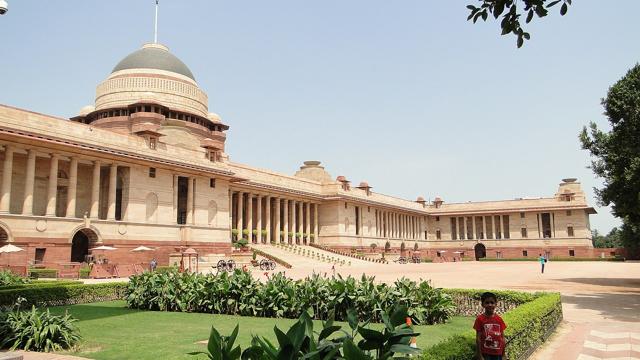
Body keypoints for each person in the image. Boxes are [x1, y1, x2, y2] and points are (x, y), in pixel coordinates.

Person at [474, 292, 507, 360]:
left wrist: (503, 354)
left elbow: (502, 338)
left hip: (498, 353)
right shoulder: (480, 319)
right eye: (487, 302)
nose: (490, 305)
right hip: (485, 354)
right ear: (482, 304)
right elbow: (478, 339)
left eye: (492, 302)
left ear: (496, 304)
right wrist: (479, 355)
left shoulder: (499, 319)